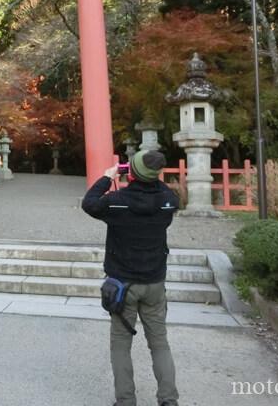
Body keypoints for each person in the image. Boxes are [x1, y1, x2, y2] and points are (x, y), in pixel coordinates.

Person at [81, 150, 179, 406]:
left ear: (131, 173)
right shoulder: (168, 200)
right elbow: (165, 192)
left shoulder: (116, 201)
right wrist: (147, 176)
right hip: (155, 282)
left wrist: (107, 177)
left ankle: (126, 401)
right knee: (159, 344)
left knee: (121, 345)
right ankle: (168, 400)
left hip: (122, 284)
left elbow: (89, 203)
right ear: (156, 175)